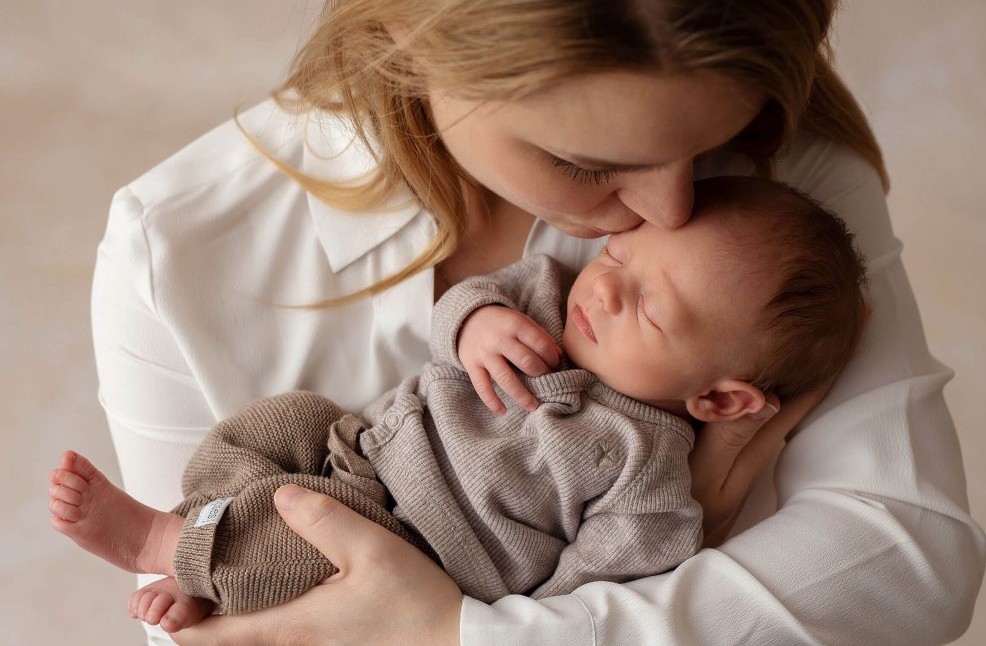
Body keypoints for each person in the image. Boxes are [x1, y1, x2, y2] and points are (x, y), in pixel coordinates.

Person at [84, 0, 985, 644]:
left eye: (709, 145)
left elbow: (907, 564)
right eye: (588, 165)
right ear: (410, 28)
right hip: (340, 460)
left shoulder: (782, 194)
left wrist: (457, 632)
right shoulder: (176, 247)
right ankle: (170, 537)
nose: (670, 212)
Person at [53, 177, 868, 632]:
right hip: (360, 441)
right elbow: (461, 310)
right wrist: (476, 325)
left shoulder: (645, 467)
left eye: (650, 308)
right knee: (273, 422)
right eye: (621, 254)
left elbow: (593, 592)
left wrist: (495, 623)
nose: (608, 283)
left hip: (412, 542)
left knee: (299, 534)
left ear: (720, 396)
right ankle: (202, 543)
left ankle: (162, 539)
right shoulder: (548, 296)